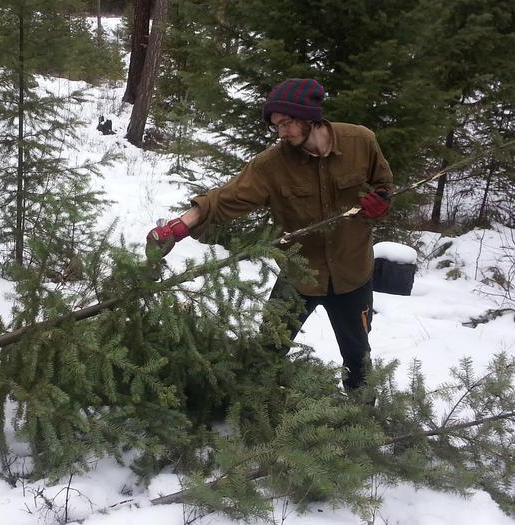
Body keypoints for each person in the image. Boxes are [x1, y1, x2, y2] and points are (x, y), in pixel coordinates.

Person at [145, 78, 393, 394]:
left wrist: (381, 204)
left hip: (353, 274)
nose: (282, 132)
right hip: (298, 274)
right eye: (276, 126)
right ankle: (254, 407)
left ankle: (362, 418)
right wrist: (181, 225)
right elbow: (226, 198)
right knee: (268, 348)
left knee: (357, 355)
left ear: (309, 116)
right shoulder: (272, 165)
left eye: (287, 123)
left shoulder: (361, 142)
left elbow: (384, 185)